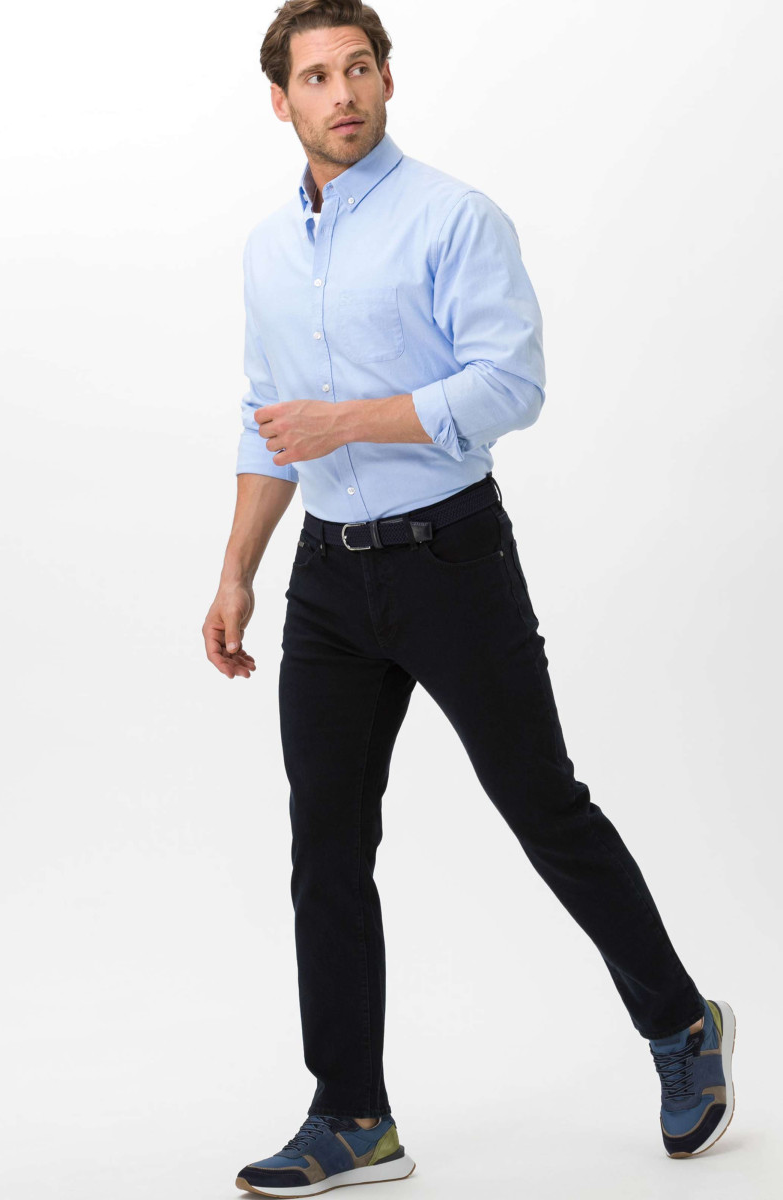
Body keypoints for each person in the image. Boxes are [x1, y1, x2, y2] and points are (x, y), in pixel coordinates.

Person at [201, 3, 736, 1194]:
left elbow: (510, 384)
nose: (342, 94)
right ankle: (352, 1117)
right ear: (279, 101)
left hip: (449, 559)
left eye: (358, 69)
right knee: (324, 845)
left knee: (540, 804)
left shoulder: (452, 217)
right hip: (327, 579)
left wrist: (351, 420)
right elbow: (264, 418)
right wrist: (237, 569)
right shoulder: (265, 252)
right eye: (315, 77)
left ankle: (679, 1024)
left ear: (387, 78)